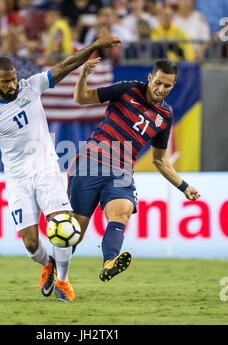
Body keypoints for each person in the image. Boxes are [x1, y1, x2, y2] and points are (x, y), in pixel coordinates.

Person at [0, 34, 121, 302]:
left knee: (63, 227)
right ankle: (48, 265)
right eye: (5, 81)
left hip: (46, 168)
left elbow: (65, 66)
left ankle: (63, 283)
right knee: (31, 245)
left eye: (14, 78)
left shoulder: (31, 87)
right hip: (17, 178)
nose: (12, 84)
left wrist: (94, 46)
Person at [69, 58, 200, 282]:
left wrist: (184, 186)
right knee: (76, 231)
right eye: (158, 82)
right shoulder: (128, 89)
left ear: (173, 85)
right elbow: (81, 98)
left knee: (122, 210)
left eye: (167, 86)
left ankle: (110, 261)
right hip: (91, 162)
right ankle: (53, 270)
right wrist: (83, 76)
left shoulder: (165, 117)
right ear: (150, 78)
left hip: (121, 171)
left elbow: (160, 160)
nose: (161, 89)